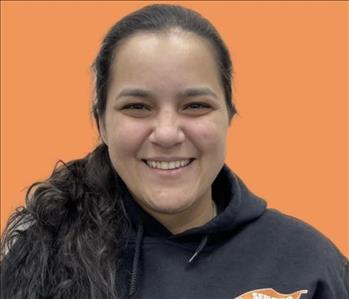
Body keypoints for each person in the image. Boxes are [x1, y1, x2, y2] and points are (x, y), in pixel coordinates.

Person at [1, 4, 348, 299]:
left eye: (195, 105)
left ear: (229, 116)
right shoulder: (41, 258)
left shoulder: (308, 262)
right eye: (137, 107)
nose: (167, 133)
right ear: (101, 123)